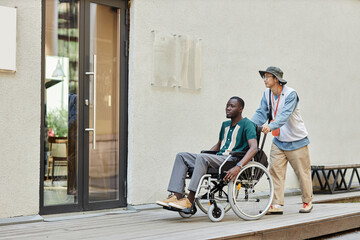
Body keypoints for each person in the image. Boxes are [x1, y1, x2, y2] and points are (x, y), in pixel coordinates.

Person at [156, 96, 258, 210]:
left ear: (241, 109)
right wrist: (205, 155)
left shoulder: (247, 124)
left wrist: (239, 166)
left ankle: (189, 200)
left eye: (232, 106)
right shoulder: (225, 125)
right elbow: (218, 146)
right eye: (227, 106)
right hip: (219, 158)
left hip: (231, 160)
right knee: (181, 156)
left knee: (203, 157)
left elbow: (254, 148)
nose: (228, 108)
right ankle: (176, 197)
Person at [251, 66, 313, 214]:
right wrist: (250, 126)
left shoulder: (291, 94)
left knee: (302, 173)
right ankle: (276, 204)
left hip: (297, 140)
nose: (264, 80)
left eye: (267, 77)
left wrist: (270, 126)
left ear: (276, 79)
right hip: (279, 141)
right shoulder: (267, 93)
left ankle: (307, 201)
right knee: (275, 171)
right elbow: (261, 112)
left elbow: (284, 115)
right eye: (264, 77)